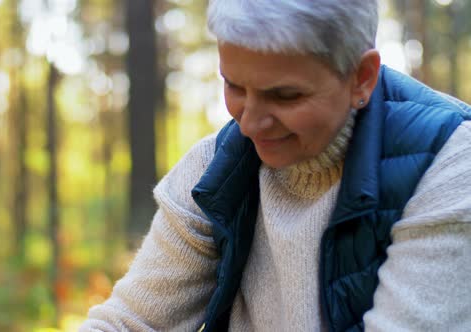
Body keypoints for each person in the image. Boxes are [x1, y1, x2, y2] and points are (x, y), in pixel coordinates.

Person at [80, 1, 471, 331]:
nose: (249, 124)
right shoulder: (214, 168)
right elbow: (129, 322)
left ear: (361, 78)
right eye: (234, 86)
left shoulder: (449, 164)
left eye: (284, 96)